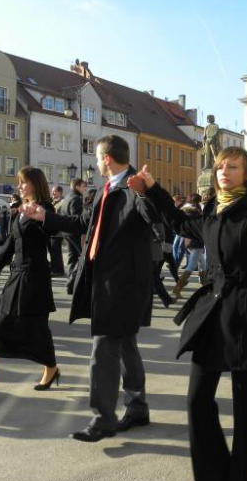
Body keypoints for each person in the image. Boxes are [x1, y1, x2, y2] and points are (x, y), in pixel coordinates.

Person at [129, 146, 247, 481]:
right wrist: (152, 188)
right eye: (219, 167)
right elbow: (181, 223)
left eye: (232, 167)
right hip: (213, 311)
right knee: (197, 400)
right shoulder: (214, 208)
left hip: (246, 313)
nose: (224, 172)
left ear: (246, 172)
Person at [24, 135, 157, 442]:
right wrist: (45, 216)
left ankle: (103, 418)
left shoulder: (133, 187)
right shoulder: (104, 189)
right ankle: (137, 407)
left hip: (124, 282)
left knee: (104, 347)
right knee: (125, 345)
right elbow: (83, 223)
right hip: (104, 278)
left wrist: (148, 193)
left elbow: (154, 219)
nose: (95, 163)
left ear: (107, 159)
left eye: (97, 158)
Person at [0, 167, 60, 392]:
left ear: (35, 184)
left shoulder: (43, 209)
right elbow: (10, 244)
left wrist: (38, 215)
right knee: (2, 322)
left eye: (23, 182)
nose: (19, 186)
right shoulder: (22, 210)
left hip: (34, 277)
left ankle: (50, 368)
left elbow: (53, 228)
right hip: (17, 275)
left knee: (36, 328)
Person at [172, 200, 205, 300]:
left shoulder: (186, 218)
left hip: (190, 244)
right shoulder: (196, 218)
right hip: (196, 244)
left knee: (203, 264)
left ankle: (205, 286)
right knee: (191, 266)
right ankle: (177, 288)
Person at [59, 178, 86, 294]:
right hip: (74, 232)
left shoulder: (67, 197)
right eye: (83, 186)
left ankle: (70, 282)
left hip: (66, 231)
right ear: (77, 187)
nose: (84, 189)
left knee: (72, 257)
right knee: (83, 256)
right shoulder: (76, 198)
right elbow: (76, 217)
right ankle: (72, 282)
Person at [49, 185, 65, 276]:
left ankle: (58, 270)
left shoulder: (62, 203)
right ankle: (55, 268)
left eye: (54, 191)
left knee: (56, 251)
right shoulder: (53, 202)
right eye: (52, 191)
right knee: (53, 251)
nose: (53, 193)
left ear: (60, 192)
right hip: (52, 231)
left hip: (58, 232)